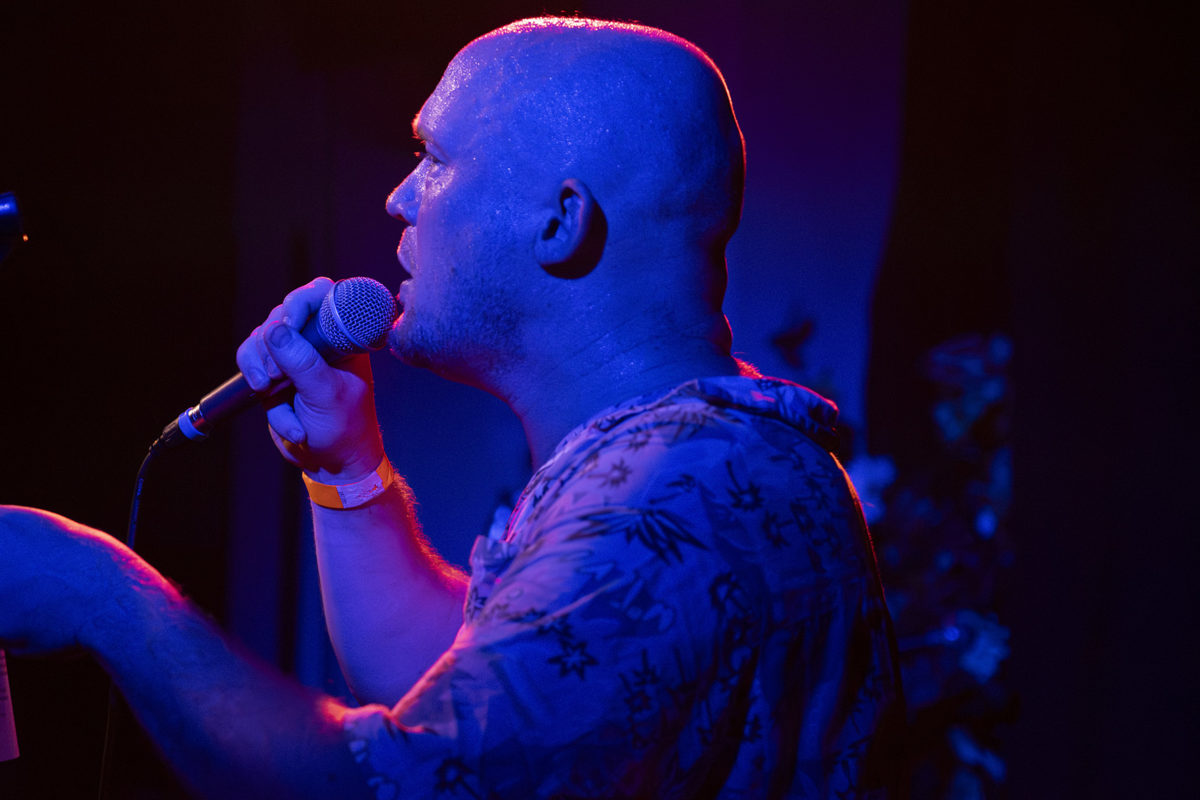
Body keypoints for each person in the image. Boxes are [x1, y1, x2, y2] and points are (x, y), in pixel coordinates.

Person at [0, 17, 903, 799]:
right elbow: (447, 683)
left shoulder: (679, 494)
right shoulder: (700, 461)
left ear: (560, 221)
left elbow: (398, 785)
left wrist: (102, 596)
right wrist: (346, 471)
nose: (399, 196)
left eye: (433, 159)